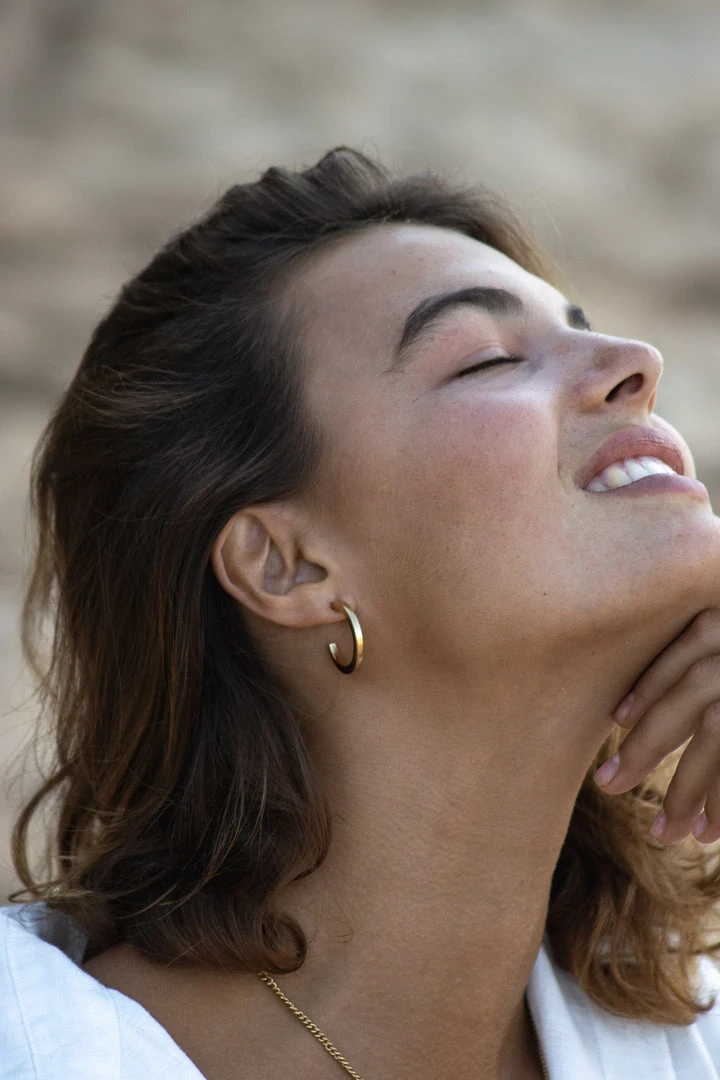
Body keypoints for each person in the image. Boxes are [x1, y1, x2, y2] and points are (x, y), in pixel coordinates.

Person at [3, 147, 720, 1080]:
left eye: (582, 327)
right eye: (489, 359)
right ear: (287, 565)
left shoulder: (688, 1034)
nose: (637, 363)